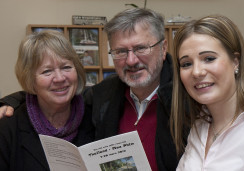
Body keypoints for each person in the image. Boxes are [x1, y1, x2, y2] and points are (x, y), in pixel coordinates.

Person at [0, 8, 182, 171]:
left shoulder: (186, 99)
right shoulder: (104, 97)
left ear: (163, 47)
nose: (131, 60)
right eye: (120, 51)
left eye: (141, 48)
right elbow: (49, 94)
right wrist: (8, 102)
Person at [170, 14, 244, 170]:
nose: (196, 72)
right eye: (186, 63)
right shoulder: (199, 127)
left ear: (235, 62)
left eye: (209, 59)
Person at [0, 30, 95, 170]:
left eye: (66, 67)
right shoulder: (8, 128)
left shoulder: (96, 120)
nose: (60, 78)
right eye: (47, 71)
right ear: (31, 79)